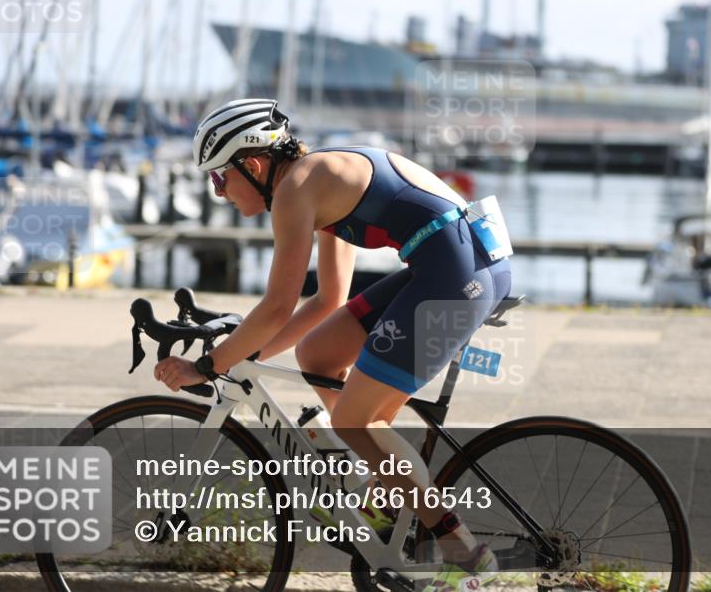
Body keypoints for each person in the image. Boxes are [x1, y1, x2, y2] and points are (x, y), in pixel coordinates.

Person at [153, 98, 512, 590]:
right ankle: (385, 497)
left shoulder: (295, 191)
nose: (220, 193)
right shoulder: (315, 177)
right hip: (454, 262)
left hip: (456, 275)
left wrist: (211, 365)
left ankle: (468, 558)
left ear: (253, 165)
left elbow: (278, 306)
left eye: (220, 178)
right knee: (320, 352)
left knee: (355, 419)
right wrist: (245, 354)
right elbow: (327, 299)